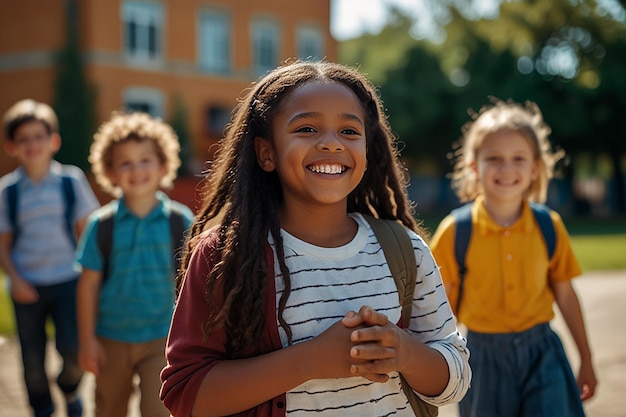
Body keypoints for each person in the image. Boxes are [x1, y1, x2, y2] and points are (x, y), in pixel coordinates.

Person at [159, 60, 471, 417]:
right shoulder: (225, 255)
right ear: (266, 153)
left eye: (349, 132)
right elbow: (185, 393)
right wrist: (309, 361)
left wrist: (404, 352)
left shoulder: (405, 250)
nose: (332, 144)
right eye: (307, 128)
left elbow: (456, 376)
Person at [430, 98, 598, 417]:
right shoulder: (455, 231)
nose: (507, 168)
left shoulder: (549, 226)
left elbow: (565, 293)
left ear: (535, 167)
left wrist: (586, 359)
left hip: (543, 354)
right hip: (481, 358)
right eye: (494, 158)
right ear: (473, 166)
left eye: (518, 158)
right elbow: (440, 309)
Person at [74, 111, 194, 417]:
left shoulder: (180, 221)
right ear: (110, 172)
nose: (136, 169)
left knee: (159, 410)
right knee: (108, 409)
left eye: (145, 160)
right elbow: (87, 286)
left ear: (163, 166)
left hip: (162, 339)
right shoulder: (101, 224)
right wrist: (87, 341)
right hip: (110, 338)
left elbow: (195, 285)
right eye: (125, 162)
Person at [0, 99, 100, 417]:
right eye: (23, 139)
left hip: (69, 280)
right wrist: (15, 280)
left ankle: (70, 390)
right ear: (11, 146)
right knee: (31, 361)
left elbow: (90, 232)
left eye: (38, 136)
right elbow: (3, 244)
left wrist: (92, 277)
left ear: (53, 141)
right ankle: (41, 408)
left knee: (73, 350)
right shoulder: (8, 191)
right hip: (26, 285)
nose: (32, 145)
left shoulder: (71, 181)